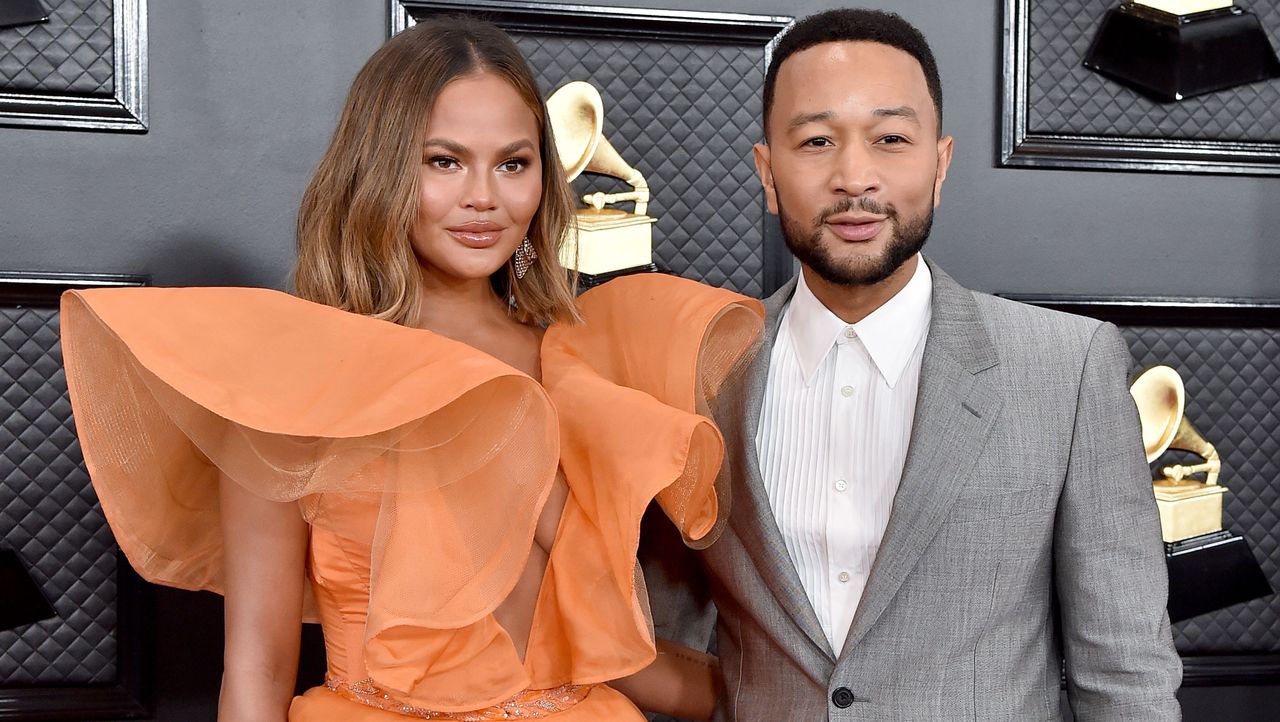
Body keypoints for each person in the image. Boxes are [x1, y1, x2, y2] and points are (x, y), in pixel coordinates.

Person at [59, 16, 762, 722]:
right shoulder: (290, 379)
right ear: (382, 168)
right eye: (444, 161)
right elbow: (257, 669)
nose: (484, 197)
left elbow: (620, 644)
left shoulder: (581, 362)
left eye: (513, 163)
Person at [645, 8, 1182, 720]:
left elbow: (1126, 674)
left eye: (891, 138)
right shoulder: (690, 370)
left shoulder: (1067, 367)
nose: (854, 175)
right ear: (767, 172)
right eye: (815, 140)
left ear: (940, 163)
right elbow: (661, 638)